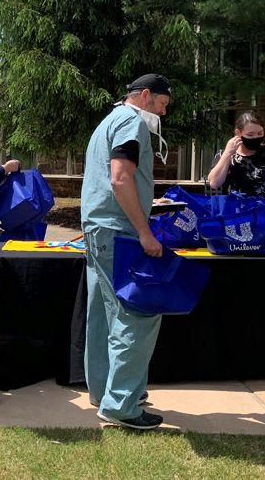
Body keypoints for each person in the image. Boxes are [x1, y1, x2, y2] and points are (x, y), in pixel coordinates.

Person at [80, 74, 171, 430]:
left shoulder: (109, 121)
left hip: (100, 228)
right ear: (145, 96)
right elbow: (120, 177)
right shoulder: (131, 122)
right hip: (119, 231)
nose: (163, 113)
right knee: (137, 316)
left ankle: (106, 391)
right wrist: (145, 231)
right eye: (162, 105)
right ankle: (120, 405)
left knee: (102, 315)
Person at [207, 111, 265, 198]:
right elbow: (214, 183)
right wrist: (228, 153)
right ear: (238, 133)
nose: (255, 137)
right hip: (234, 208)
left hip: (264, 209)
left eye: (260, 133)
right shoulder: (226, 155)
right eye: (250, 135)